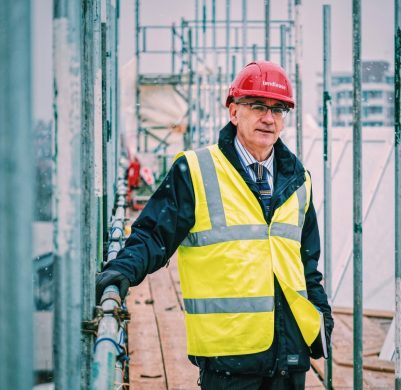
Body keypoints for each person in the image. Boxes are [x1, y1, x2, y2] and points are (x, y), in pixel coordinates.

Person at [96, 60, 334, 390]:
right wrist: (123, 269)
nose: (269, 118)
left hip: (290, 357)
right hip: (229, 360)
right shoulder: (195, 171)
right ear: (233, 112)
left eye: (278, 110)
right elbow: (154, 235)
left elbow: (307, 264)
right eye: (257, 106)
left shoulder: (299, 179)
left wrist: (321, 321)